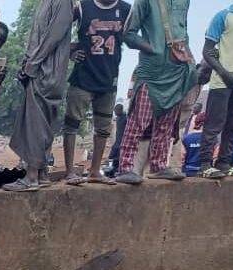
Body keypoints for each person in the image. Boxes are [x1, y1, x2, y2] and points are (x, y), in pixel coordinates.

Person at [114, 0, 196, 185]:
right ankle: (125, 168)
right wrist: (154, 49)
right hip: (151, 72)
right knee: (138, 122)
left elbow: (183, 33)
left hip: (176, 71)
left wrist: (189, 59)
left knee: (166, 124)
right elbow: (128, 34)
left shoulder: (184, 1)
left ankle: (159, 166)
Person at [4, 0, 74, 192]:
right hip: (43, 69)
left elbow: (53, 36)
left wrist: (32, 63)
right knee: (41, 123)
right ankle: (42, 174)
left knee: (35, 123)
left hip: (46, 72)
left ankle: (32, 176)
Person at [62, 0, 131, 186]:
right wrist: (69, 51)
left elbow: (132, 36)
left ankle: (95, 171)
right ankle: (69, 172)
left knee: (103, 128)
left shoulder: (125, 10)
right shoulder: (82, 7)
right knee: (71, 124)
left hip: (109, 79)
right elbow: (58, 30)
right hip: (83, 77)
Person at [197, 0, 233, 179]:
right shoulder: (223, 16)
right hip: (222, 80)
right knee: (214, 123)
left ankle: (224, 163)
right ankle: (204, 165)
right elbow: (207, 51)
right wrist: (223, 72)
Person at [105, 102, 127, 176]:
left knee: (119, 156)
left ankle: (118, 171)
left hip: (123, 140)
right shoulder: (117, 118)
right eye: (114, 112)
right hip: (117, 140)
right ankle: (112, 170)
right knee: (113, 156)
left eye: (116, 111)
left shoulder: (126, 118)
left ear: (120, 110)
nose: (115, 113)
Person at [182, 111, 204, 176]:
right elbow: (215, 157)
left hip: (187, 171)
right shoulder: (211, 139)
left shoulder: (186, 138)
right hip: (203, 172)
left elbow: (182, 157)